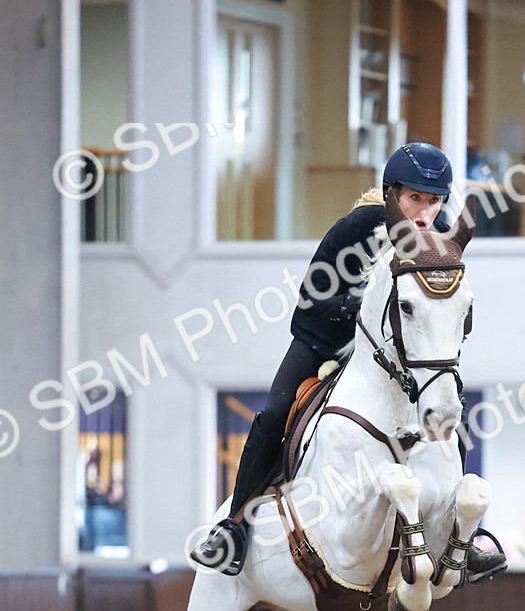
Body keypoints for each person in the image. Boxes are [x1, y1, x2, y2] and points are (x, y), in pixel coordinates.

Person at [191, 142, 506, 582]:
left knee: (446, 412)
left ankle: (461, 534)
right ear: (392, 193)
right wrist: (366, 309)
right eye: (415, 198)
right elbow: (311, 300)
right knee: (276, 411)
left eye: (434, 201)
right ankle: (234, 527)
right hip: (325, 340)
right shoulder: (358, 228)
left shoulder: (439, 237)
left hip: (395, 357)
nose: (425, 212)